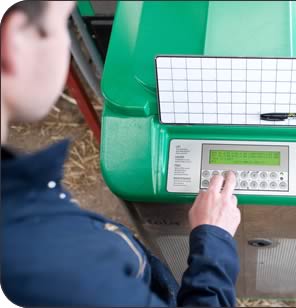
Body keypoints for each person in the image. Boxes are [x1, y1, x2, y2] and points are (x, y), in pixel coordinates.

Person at [0, 1, 241, 306]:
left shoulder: (22, 202)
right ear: (16, 42)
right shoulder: (52, 259)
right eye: (61, 27)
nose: (68, 46)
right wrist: (214, 240)